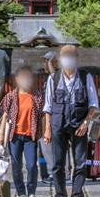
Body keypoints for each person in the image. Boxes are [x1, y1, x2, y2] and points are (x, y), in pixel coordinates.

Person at [42, 44, 98, 197]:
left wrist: (86, 123)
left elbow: (93, 104)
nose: (67, 59)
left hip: (79, 125)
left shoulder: (85, 77)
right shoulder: (53, 78)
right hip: (58, 124)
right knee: (58, 164)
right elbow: (48, 106)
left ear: (77, 58)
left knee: (80, 163)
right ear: (60, 59)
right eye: (64, 56)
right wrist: (47, 129)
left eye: (71, 55)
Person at [0, 63, 44, 197]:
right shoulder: (11, 96)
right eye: (23, 77)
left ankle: (32, 193)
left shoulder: (37, 96)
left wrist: (46, 131)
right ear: (17, 79)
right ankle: (21, 194)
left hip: (31, 136)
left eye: (28, 77)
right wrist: (1, 134)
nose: (26, 80)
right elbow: (5, 116)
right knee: (16, 166)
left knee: (31, 166)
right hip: (15, 136)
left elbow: (43, 115)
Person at [37, 51, 57, 185]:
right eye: (44, 61)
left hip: (56, 118)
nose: (45, 64)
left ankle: (61, 173)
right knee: (46, 146)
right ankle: (51, 172)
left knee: (55, 147)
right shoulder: (48, 78)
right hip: (46, 118)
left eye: (48, 61)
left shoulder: (58, 78)